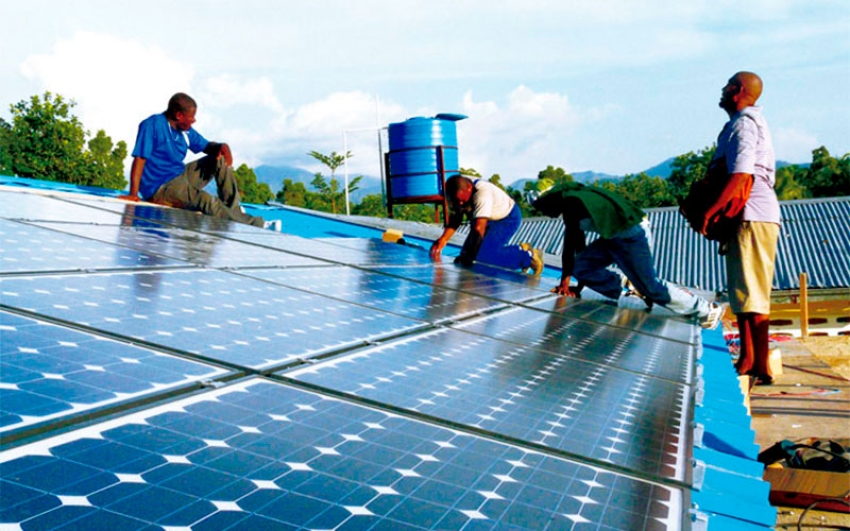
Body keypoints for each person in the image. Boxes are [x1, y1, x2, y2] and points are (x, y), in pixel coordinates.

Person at [532, 181, 724, 329]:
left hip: (633, 237)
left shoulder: (572, 203)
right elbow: (579, 252)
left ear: (551, 198)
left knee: (651, 286)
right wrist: (575, 284)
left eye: (541, 207)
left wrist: (565, 284)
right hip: (613, 238)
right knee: (582, 267)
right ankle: (625, 285)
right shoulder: (574, 197)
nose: (543, 212)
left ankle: (706, 310)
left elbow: (570, 246)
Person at [701, 71, 780, 385]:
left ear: (739, 91)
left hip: (753, 214)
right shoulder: (739, 123)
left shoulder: (745, 124)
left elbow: (741, 175)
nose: (722, 90)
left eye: (727, 86)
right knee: (744, 293)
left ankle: (760, 364)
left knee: (754, 293)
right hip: (746, 217)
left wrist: (712, 211)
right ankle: (747, 359)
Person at [119, 93, 265, 228]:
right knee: (206, 200)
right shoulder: (152, 125)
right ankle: (256, 224)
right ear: (178, 115)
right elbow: (139, 159)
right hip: (161, 187)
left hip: (180, 176)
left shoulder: (185, 131)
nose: (194, 120)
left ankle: (234, 212)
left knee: (218, 159)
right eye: (191, 117)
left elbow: (207, 146)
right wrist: (133, 193)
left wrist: (222, 147)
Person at [430, 175, 544, 275]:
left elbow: (479, 228)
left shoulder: (482, 193)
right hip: (484, 218)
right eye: (457, 201)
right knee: (463, 258)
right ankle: (519, 250)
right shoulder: (456, 190)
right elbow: (456, 217)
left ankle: (527, 256)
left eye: (462, 200)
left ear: (469, 188)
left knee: (483, 259)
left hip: (506, 218)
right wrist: (443, 240)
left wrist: (472, 256)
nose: (460, 203)